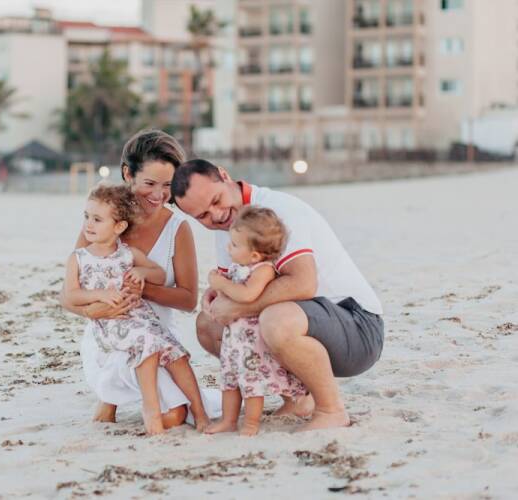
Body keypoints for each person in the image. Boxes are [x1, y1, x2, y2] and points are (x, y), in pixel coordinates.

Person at [171, 159, 384, 431]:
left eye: (216, 200)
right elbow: (235, 284)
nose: (217, 215)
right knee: (208, 324)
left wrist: (238, 308)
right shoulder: (228, 228)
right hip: (308, 322)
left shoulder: (277, 211)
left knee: (274, 319)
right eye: (202, 216)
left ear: (225, 176)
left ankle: (331, 410)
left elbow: (303, 283)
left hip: (357, 326)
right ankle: (298, 399)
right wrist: (214, 298)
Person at [59, 129, 219, 433]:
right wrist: (94, 310)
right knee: (131, 361)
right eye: (149, 183)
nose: (158, 195)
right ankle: (110, 397)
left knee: (175, 416)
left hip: (157, 333)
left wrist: (144, 288)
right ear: (127, 174)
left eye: (167, 185)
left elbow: (188, 299)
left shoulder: (177, 229)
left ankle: (121, 398)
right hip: (110, 332)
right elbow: (67, 295)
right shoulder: (101, 222)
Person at [204, 206, 308, 436]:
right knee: (229, 382)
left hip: (252, 344)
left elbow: (247, 295)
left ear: (254, 255)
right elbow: (228, 294)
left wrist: (222, 284)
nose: (228, 248)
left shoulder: (263, 270)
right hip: (233, 340)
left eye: (234, 245)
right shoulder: (238, 267)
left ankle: (251, 423)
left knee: (252, 385)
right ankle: (229, 420)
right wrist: (217, 286)